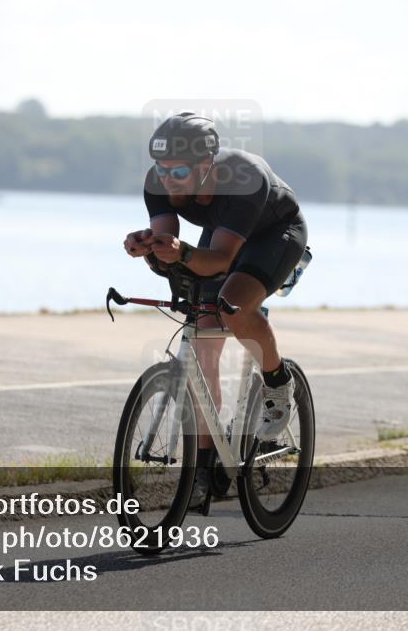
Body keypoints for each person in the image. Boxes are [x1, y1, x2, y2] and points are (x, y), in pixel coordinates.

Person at [122, 112, 308, 507]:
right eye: (161, 168)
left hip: (274, 233)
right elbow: (168, 246)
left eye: (179, 170)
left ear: (206, 166)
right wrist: (148, 249)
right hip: (224, 231)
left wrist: (184, 253)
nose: (167, 178)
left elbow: (221, 260)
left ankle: (277, 381)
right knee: (202, 342)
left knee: (233, 306)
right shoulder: (159, 182)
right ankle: (205, 468)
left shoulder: (244, 179)